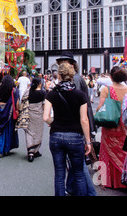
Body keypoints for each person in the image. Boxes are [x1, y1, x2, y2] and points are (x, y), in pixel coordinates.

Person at [43, 63, 92, 196]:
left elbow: (45, 117)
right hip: (75, 136)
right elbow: (84, 120)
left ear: (59, 75)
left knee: (59, 173)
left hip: (56, 135)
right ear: (71, 75)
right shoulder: (80, 95)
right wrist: (88, 141)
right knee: (78, 173)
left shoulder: (52, 94)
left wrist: (53, 123)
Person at [95, 66, 127, 189]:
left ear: (111, 77)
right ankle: (125, 178)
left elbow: (100, 107)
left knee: (106, 151)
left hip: (110, 124)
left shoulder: (107, 89)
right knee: (123, 151)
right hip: (124, 125)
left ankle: (106, 180)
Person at [24, 77, 47, 162]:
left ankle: (30, 151)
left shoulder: (28, 91)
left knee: (29, 132)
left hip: (29, 114)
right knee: (38, 132)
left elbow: (23, 101)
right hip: (39, 115)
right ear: (39, 84)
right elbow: (44, 105)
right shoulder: (43, 93)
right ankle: (36, 150)